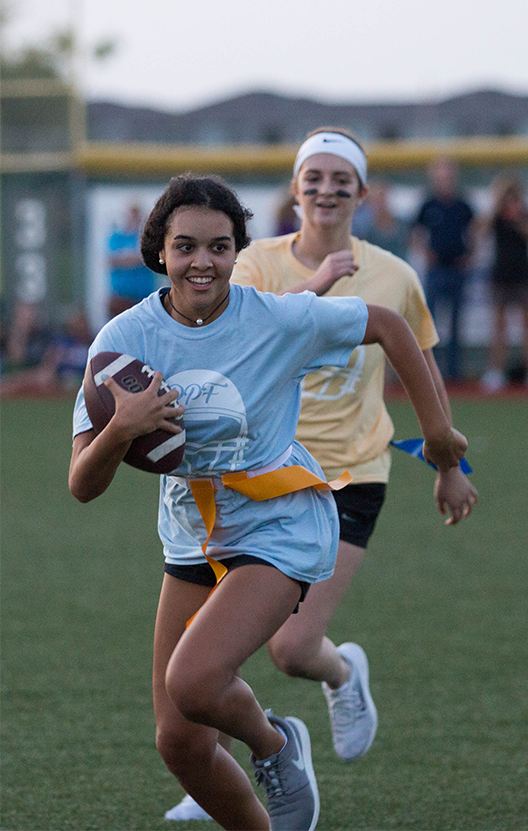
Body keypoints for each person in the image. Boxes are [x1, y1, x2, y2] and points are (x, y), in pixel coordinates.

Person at [69, 174, 469, 831]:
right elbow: (82, 484)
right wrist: (122, 427)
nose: (203, 261)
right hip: (192, 534)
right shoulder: (120, 345)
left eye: (220, 246)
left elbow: (391, 327)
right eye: (186, 246)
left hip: (280, 522)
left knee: (195, 682)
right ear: (159, 252)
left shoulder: (275, 316)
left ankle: (277, 742)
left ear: (236, 250)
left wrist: (437, 439)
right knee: (180, 741)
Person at [480, 176, 528, 393]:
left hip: (523, 276)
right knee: (499, 327)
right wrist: (496, 208)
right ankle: (495, 372)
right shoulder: (495, 216)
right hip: (501, 276)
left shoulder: (526, 213)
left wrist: (517, 215)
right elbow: (481, 231)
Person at [411, 158, 475, 382]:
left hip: (457, 270)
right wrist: (426, 253)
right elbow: (415, 232)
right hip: (436, 270)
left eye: (448, 177)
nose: (445, 182)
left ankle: (454, 374)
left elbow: (475, 230)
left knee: (457, 324)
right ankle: (431, 372)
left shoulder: (462, 205)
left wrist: (469, 255)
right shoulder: (428, 205)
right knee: (431, 324)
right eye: (441, 178)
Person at [107, 203, 156, 317]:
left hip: (143, 296)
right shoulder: (116, 237)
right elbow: (111, 260)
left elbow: (149, 256)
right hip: (120, 296)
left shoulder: (147, 237)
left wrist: (126, 259)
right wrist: (136, 259)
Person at [353, 180, 409, 259]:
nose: (380, 203)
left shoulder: (404, 226)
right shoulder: (364, 232)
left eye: (383, 197)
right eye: (376, 199)